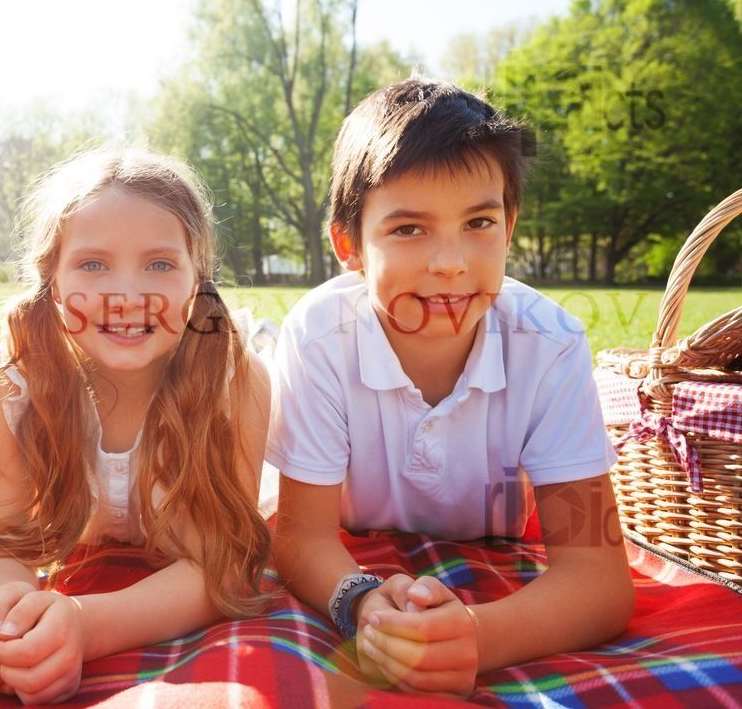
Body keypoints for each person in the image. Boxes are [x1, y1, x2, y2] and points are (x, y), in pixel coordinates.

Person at [269, 79, 635, 696]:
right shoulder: (317, 336)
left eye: (479, 222)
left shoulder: (551, 344)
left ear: (510, 226)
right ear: (348, 244)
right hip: (355, 543)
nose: (451, 262)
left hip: (488, 541)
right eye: (409, 229)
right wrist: (359, 602)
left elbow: (598, 576)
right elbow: (301, 536)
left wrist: (477, 635)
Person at [0, 149, 271, 703]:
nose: (128, 296)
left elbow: (221, 566)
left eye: (160, 264)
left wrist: (85, 624)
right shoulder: (11, 392)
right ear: (51, 281)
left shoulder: (234, 385)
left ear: (198, 282)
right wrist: (14, 613)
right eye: (94, 264)